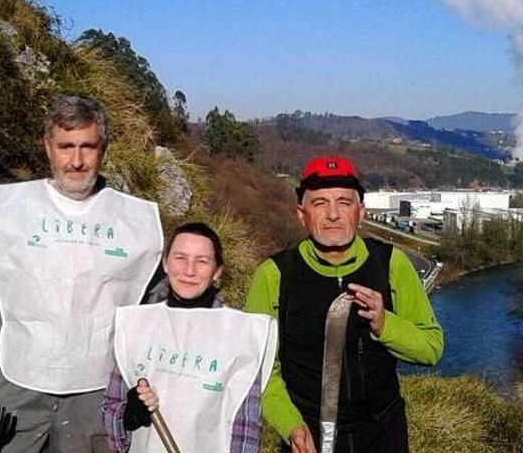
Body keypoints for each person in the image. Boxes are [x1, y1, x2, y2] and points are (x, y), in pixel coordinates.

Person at [0, 95, 163, 453]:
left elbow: (162, 315)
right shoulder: (13, 212)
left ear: (104, 148)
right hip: (16, 386)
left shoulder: (135, 223)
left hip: (97, 396)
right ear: (47, 148)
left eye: (88, 147)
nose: (77, 160)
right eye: (66, 146)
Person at [245, 156, 443, 453]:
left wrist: (384, 323)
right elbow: (259, 369)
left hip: (382, 432)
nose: (333, 214)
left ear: (360, 212)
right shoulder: (274, 276)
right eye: (320, 203)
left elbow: (431, 348)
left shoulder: (392, 264)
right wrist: (290, 425)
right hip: (307, 436)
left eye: (344, 202)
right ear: (302, 214)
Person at [101, 222, 277, 453]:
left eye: (202, 261)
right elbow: (112, 408)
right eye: (180, 258)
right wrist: (129, 416)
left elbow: (246, 427)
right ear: (165, 262)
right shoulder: (135, 324)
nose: (189, 270)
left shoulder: (242, 334)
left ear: (217, 271)